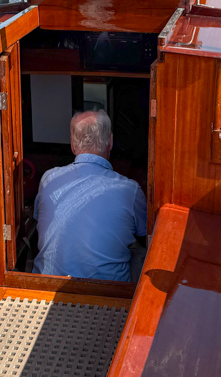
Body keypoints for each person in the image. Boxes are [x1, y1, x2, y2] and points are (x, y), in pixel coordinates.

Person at [32, 110, 148, 283]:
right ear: (110, 142)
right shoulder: (130, 190)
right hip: (106, 292)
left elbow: (37, 219)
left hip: (46, 284)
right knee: (140, 251)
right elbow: (146, 233)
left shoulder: (48, 178)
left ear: (72, 145)